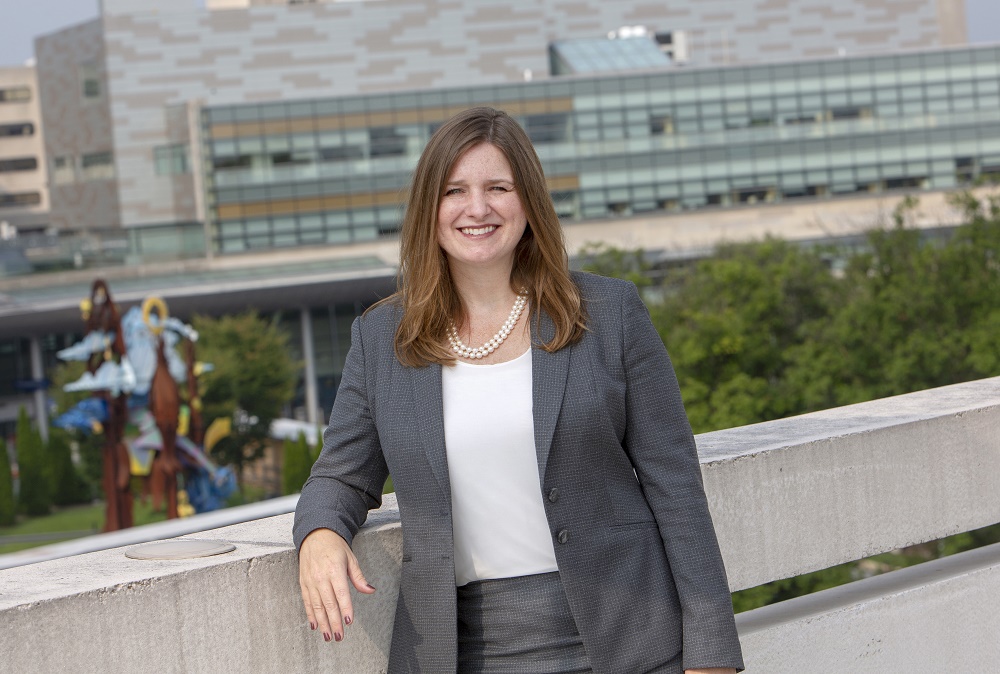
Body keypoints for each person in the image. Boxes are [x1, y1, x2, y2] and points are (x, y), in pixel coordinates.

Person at [294, 106, 744, 674]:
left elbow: (675, 486)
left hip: (631, 641)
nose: (477, 208)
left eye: (498, 187)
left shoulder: (609, 313)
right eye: (454, 191)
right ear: (427, 209)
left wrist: (711, 655)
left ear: (527, 201)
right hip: (464, 653)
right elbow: (341, 473)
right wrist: (317, 535)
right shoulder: (384, 337)